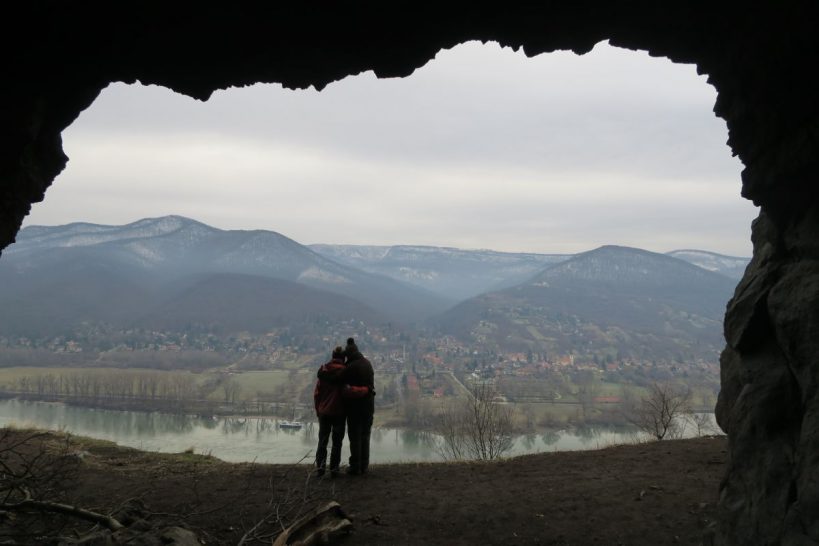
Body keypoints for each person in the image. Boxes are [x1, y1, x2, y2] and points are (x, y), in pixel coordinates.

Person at [340, 337, 375, 475]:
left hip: (354, 408)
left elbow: (341, 385)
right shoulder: (368, 363)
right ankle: (364, 465)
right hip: (368, 406)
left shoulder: (349, 367)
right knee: (365, 436)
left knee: (355, 437)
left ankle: (355, 466)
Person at [313, 346, 347, 477]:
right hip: (339, 412)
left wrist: (318, 410)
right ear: (343, 358)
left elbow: (317, 394)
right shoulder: (345, 373)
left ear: (332, 357)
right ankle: (334, 470)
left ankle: (320, 469)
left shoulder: (324, 371)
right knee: (337, 442)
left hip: (324, 412)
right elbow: (347, 392)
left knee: (322, 441)